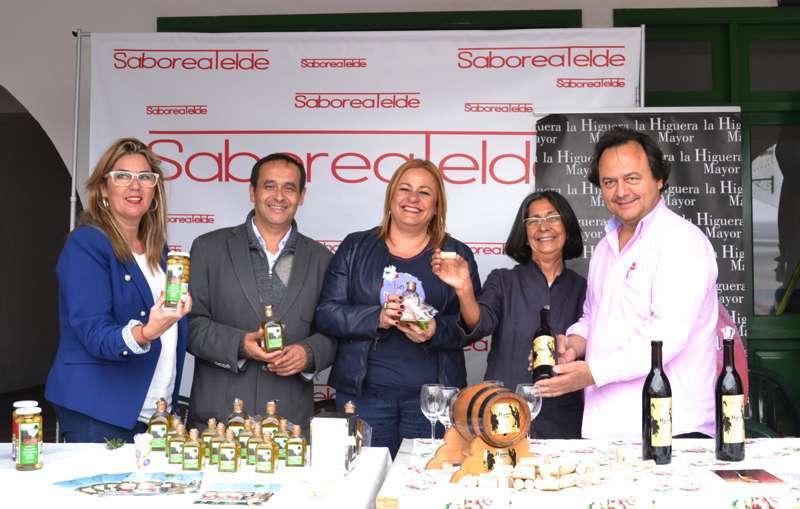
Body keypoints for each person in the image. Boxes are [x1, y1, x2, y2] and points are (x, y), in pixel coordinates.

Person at [535, 127, 719, 439]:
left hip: (670, 428)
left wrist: (593, 373)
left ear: (659, 179)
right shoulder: (606, 247)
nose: (621, 191)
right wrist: (572, 345)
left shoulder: (681, 241)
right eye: (609, 182)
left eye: (632, 178)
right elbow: (593, 317)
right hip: (607, 428)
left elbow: (667, 335)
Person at [315, 159, 481, 457]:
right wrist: (376, 318)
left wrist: (435, 330)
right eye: (404, 189)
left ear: (436, 206)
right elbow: (326, 313)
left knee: (424, 481)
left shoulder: (455, 254)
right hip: (365, 397)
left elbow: (472, 327)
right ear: (391, 197)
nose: (413, 198)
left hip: (432, 403)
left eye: (424, 192)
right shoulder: (355, 247)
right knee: (365, 480)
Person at [45, 138, 191, 442]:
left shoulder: (158, 250)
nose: (135, 186)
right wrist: (147, 332)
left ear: (155, 191)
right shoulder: (86, 244)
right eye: (122, 176)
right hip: (99, 410)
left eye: (145, 177)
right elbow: (94, 332)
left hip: (153, 411)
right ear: (103, 189)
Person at [187, 153, 335, 434]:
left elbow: (334, 333)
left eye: (289, 188)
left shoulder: (322, 259)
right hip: (219, 420)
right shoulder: (208, 248)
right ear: (252, 191)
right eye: (269, 186)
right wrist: (239, 345)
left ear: (301, 196)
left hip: (289, 423)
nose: (279, 196)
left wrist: (309, 353)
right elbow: (189, 325)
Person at [432, 190, 585, 438]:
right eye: (533, 221)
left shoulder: (584, 288)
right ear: (524, 235)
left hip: (564, 418)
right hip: (504, 412)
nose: (543, 227)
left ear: (567, 227)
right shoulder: (504, 280)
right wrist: (464, 289)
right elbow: (480, 323)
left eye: (552, 218)